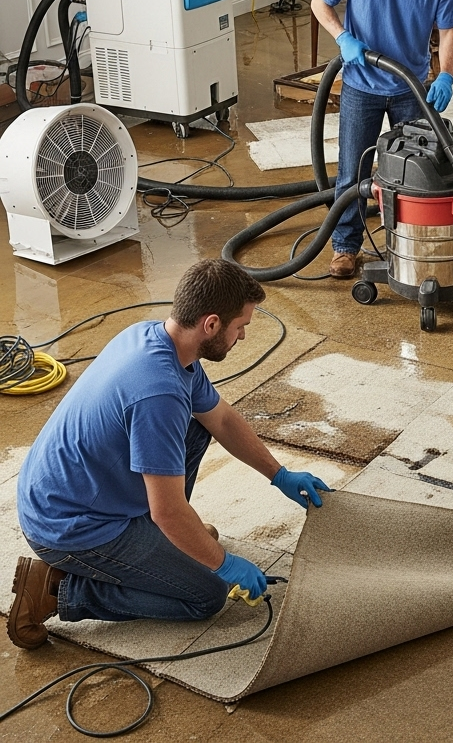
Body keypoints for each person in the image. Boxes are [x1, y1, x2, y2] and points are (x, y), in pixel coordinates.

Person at [9, 259, 332, 649]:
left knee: (198, 428)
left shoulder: (154, 339)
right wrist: (222, 564)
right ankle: (57, 590)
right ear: (211, 324)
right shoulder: (158, 394)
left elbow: (222, 419)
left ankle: (162, 550)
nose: (243, 336)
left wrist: (279, 474)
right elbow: (168, 511)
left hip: (69, 490)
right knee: (206, 595)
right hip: (69, 526)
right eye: (241, 326)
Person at [310, 0, 453, 279]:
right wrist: (343, 37)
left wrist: (445, 74)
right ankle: (346, 247)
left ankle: (410, 244)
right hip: (362, 84)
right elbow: (319, 2)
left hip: (410, 88)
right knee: (352, 174)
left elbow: (449, 32)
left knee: (415, 174)